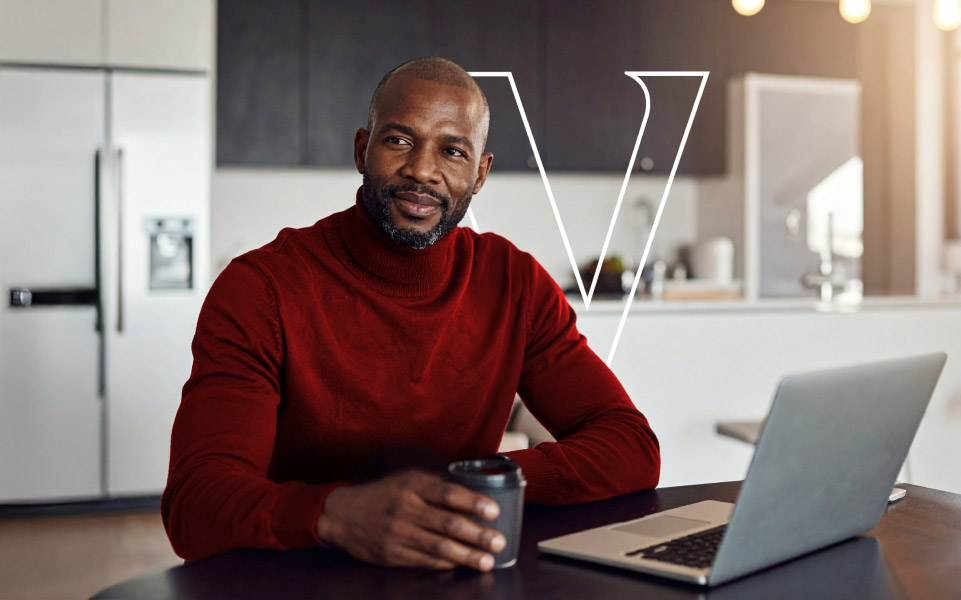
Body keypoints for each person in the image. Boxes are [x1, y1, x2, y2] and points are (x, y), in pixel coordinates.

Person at [162, 57, 659, 572]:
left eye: (452, 150)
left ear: (480, 173)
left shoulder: (515, 283)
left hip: (452, 573)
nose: (423, 170)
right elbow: (196, 507)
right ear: (362, 150)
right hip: (295, 579)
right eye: (399, 140)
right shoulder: (260, 288)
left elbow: (631, 446)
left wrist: (476, 481)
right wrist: (336, 515)